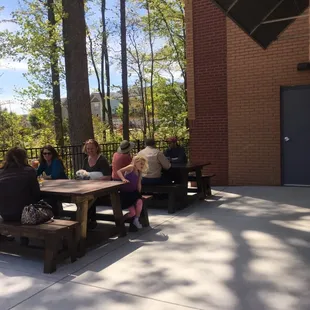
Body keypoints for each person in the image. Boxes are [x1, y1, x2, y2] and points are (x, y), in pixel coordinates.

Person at [0, 147, 40, 222]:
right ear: (24, 158)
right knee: (51, 201)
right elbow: (36, 194)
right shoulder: (29, 171)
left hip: (4, 213)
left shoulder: (1, 172)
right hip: (25, 213)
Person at [82, 139, 111, 229]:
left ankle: (91, 220)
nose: (90, 151)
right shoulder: (86, 159)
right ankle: (84, 220)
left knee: (89, 199)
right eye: (88, 149)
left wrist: (95, 179)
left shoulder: (102, 160)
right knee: (81, 199)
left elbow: (108, 177)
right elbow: (83, 172)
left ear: (97, 148)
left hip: (102, 189)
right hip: (88, 187)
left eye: (92, 148)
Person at [117, 155, 148, 231]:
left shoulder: (139, 172)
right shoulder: (131, 168)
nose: (142, 166)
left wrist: (139, 194)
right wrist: (123, 179)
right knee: (132, 213)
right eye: (141, 163)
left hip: (134, 192)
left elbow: (138, 183)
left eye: (143, 164)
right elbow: (119, 171)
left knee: (140, 202)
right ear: (135, 162)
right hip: (126, 194)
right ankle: (121, 220)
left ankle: (136, 220)